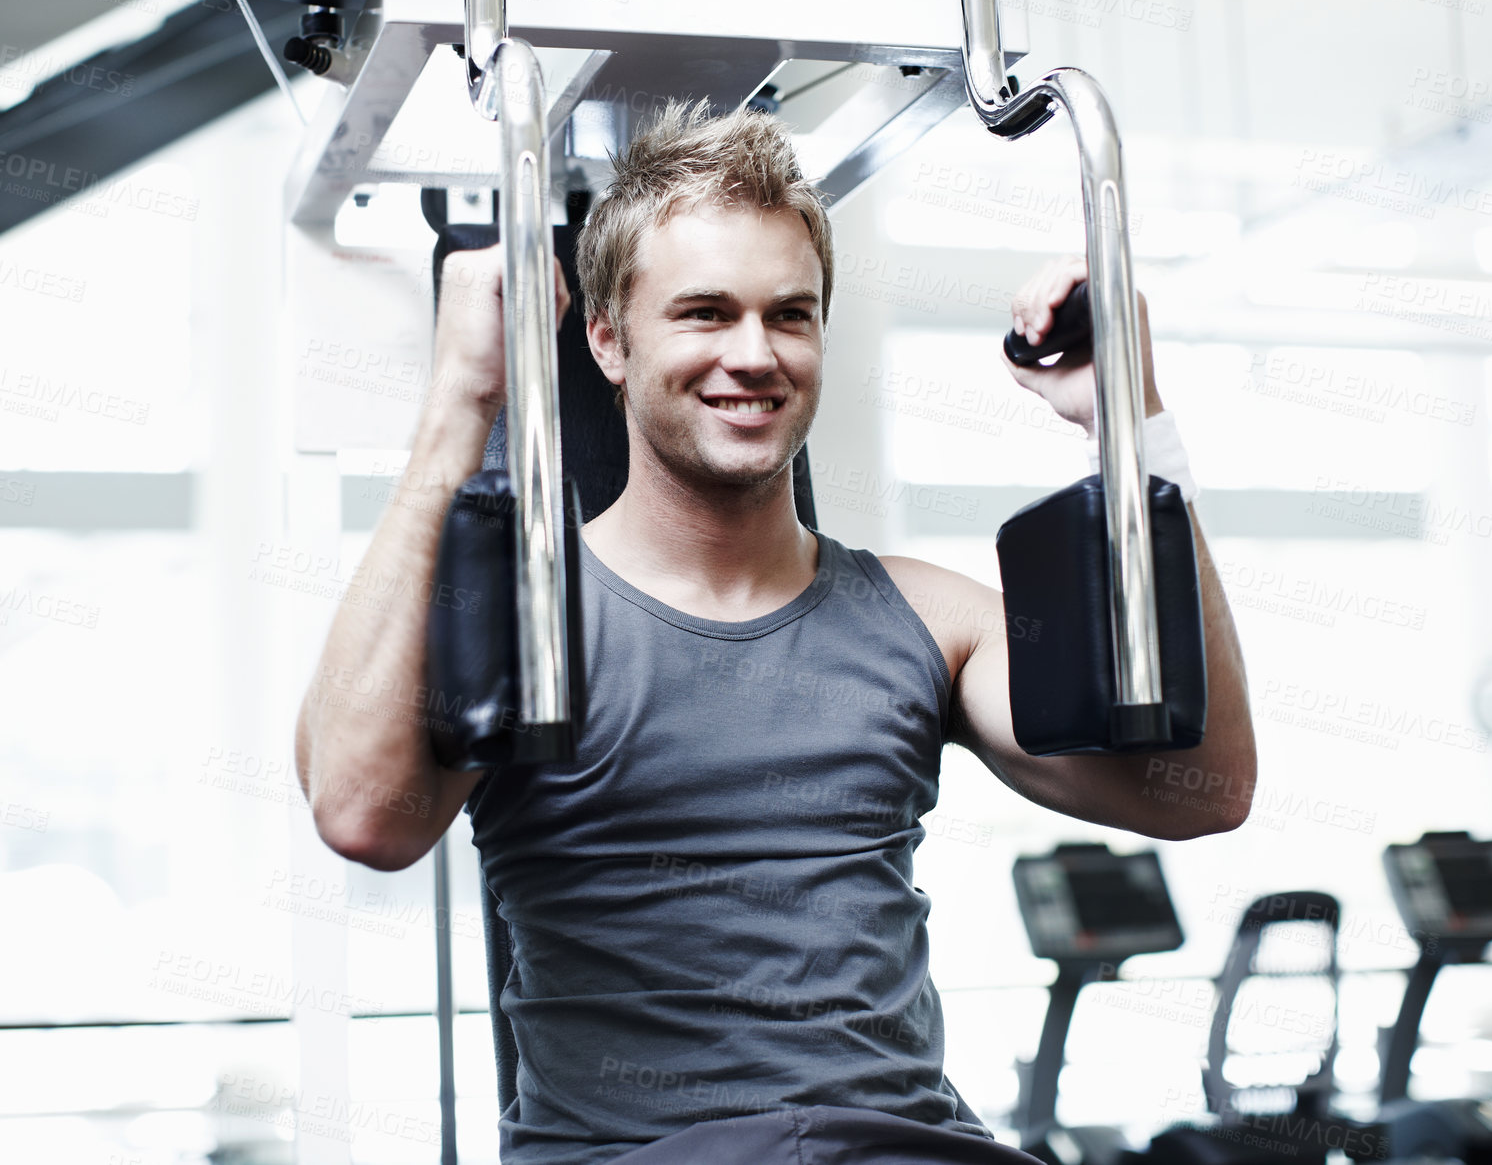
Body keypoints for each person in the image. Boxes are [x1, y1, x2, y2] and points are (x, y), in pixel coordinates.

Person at [294, 100, 1257, 1164]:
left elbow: (1204, 790)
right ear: (608, 340)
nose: (754, 353)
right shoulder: (529, 619)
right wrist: (459, 402)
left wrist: (1130, 415)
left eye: (788, 315)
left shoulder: (926, 620)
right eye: (704, 313)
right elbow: (359, 814)